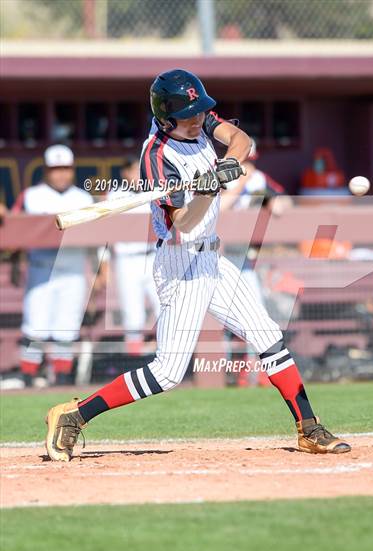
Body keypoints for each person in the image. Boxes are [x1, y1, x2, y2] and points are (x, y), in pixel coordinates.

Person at [45, 69, 350, 461]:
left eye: (199, 113)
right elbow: (184, 222)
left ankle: (310, 428)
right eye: (188, 115)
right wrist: (206, 192)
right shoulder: (156, 158)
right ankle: (74, 415)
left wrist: (228, 166)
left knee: (268, 336)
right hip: (180, 262)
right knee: (169, 372)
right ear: (166, 117)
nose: (197, 119)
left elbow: (242, 140)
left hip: (213, 257)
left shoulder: (200, 120)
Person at [14, 145, 93, 386]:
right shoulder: (30, 195)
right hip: (41, 266)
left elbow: (98, 238)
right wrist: (18, 262)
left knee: (67, 326)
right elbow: (15, 230)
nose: (61, 174)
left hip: (73, 267)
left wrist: (101, 271)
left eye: (65, 169)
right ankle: (29, 374)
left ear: (72, 170)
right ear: (47, 171)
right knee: (35, 324)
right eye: (56, 169)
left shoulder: (83, 197)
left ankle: (62, 376)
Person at [220, 140, 292, 386]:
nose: (246, 164)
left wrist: (271, 201)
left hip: (245, 258)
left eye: (249, 159)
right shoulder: (223, 174)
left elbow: (283, 204)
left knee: (255, 315)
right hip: (219, 254)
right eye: (243, 159)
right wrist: (240, 183)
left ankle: (254, 370)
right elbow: (221, 206)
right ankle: (226, 370)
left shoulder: (259, 179)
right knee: (222, 320)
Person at [111, 156, 160, 355]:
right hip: (127, 259)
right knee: (133, 315)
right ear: (124, 173)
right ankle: (134, 360)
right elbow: (106, 233)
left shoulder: (155, 192)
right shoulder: (116, 195)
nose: (138, 175)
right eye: (133, 171)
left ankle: (169, 355)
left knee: (164, 307)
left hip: (153, 256)